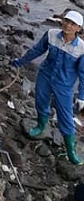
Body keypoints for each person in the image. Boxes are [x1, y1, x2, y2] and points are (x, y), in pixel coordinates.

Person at [12, 10, 84, 165]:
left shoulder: (81, 48)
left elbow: (83, 73)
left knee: (65, 115)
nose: (68, 25)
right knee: (41, 102)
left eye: (73, 24)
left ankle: (71, 150)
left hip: (64, 86)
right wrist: (21, 61)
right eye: (66, 21)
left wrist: (82, 96)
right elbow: (37, 50)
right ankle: (40, 125)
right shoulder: (51, 34)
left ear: (79, 28)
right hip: (45, 76)